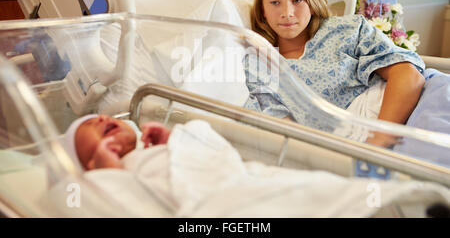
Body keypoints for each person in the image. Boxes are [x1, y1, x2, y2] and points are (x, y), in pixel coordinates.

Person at [60, 114, 450, 218]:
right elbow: (114, 193)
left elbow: (209, 148)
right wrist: (107, 166)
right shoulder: (110, 178)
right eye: (91, 129)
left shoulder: (154, 147)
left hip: (238, 180)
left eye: (105, 119)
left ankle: (398, 203)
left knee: (306, 184)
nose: (102, 120)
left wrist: (176, 138)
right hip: (216, 203)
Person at [244, 0, 426, 148]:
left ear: (312, 4)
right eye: (274, 2)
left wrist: (378, 141)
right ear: (262, 10)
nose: (287, 12)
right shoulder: (258, 63)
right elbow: (284, 132)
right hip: (337, 143)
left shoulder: (348, 29)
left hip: (399, 116)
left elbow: (408, 75)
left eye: (297, 0)